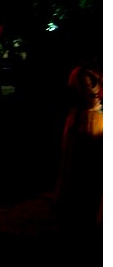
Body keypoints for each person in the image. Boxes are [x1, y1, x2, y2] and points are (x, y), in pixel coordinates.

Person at [55, 63, 103, 227]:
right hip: (86, 122)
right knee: (81, 170)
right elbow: (91, 95)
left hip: (87, 119)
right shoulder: (82, 75)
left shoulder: (85, 74)